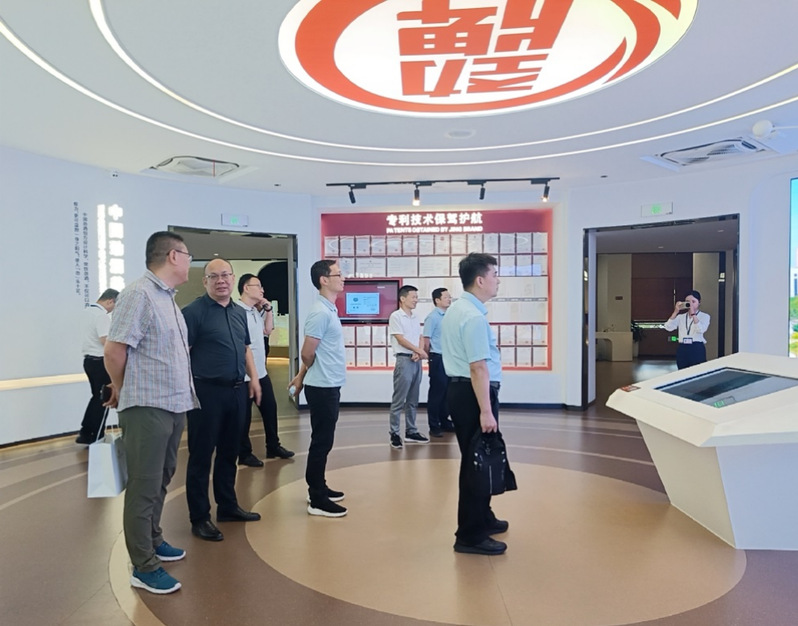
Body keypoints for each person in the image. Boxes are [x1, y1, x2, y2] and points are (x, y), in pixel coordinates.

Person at [103, 231, 199, 594]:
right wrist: (123, 388)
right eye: (188, 256)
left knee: (162, 476)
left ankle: (154, 539)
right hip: (147, 405)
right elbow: (114, 351)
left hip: (173, 403)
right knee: (143, 486)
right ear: (174, 256)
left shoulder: (167, 299)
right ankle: (143, 566)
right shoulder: (139, 294)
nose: (190, 262)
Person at [181, 259, 262, 542]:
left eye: (225, 275)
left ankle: (227, 506)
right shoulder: (193, 312)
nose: (221, 281)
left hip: (237, 390)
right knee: (201, 456)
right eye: (213, 276)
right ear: (205, 282)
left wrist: (254, 379)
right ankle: (199, 517)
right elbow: (182, 353)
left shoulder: (239, 312)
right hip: (206, 393)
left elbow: (245, 348)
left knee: (230, 452)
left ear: (233, 278)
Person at [441, 252, 509, 556]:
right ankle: (469, 535)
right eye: (494, 274)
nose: (498, 280)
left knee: (479, 458)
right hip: (473, 394)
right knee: (475, 464)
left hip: (463, 392)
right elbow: (478, 367)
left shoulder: (459, 309)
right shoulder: (472, 317)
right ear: (480, 280)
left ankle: (483, 517)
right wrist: (486, 410)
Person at [288, 260, 348, 518]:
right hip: (322, 387)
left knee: (324, 441)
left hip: (329, 384)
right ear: (324, 280)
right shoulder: (320, 313)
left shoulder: (329, 309)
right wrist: (303, 375)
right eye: (338, 274)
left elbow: (314, 353)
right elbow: (307, 353)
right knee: (321, 443)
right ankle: (317, 498)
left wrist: (300, 376)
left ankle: (320, 486)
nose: (343, 278)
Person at [236, 273, 294, 466]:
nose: (262, 290)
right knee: (244, 417)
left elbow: (267, 331)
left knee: (270, 409)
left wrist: (268, 310)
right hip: (245, 375)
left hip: (261, 372)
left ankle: (273, 446)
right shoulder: (236, 312)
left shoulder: (254, 311)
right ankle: (244, 453)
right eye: (258, 286)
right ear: (246, 288)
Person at [387, 284, 429, 449]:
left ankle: (411, 431)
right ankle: (394, 433)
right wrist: (418, 350)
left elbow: (420, 336)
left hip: (416, 360)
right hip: (404, 360)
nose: (416, 300)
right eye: (413, 297)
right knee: (399, 399)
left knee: (413, 399)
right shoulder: (396, 316)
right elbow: (400, 339)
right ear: (403, 298)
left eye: (417, 297)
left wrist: (419, 351)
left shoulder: (415, 317)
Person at [76, 288, 118, 444]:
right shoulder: (101, 316)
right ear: (110, 301)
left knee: (96, 396)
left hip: (88, 361)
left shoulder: (86, 312)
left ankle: (86, 432)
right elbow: (104, 341)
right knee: (104, 398)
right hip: (101, 362)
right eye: (115, 306)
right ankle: (96, 435)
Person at [422, 287, 453, 438]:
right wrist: (430, 357)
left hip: (449, 358)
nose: (449, 299)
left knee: (448, 392)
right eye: (446, 297)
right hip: (437, 357)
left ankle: (445, 421)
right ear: (437, 300)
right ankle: (434, 425)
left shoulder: (450, 315)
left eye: (450, 297)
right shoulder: (432, 317)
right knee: (437, 393)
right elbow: (426, 340)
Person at [664, 289, 711, 370]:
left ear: (699, 302)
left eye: (693, 301)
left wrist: (693, 314)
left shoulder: (704, 316)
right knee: (682, 371)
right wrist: (676, 312)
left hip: (696, 347)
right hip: (683, 347)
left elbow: (701, 330)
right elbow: (668, 327)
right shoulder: (681, 317)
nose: (690, 304)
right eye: (688, 302)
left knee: (697, 371)